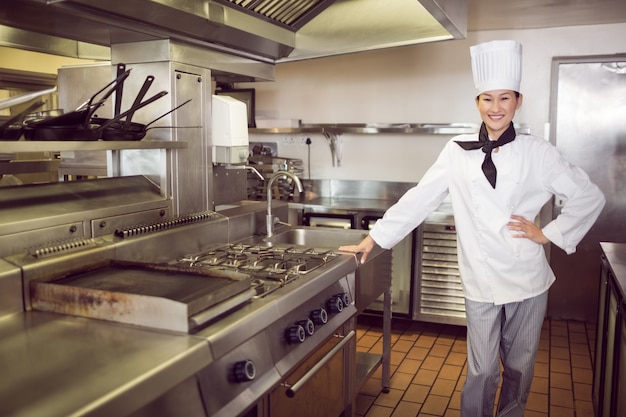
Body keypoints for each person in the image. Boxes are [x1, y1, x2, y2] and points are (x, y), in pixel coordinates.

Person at [339, 40, 605, 417]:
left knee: (519, 368)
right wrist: (373, 239)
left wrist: (549, 234)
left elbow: (588, 196)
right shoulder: (456, 151)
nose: (495, 108)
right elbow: (420, 199)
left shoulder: (538, 152)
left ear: (518, 101)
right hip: (479, 279)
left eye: (504, 98)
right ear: (477, 102)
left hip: (528, 280)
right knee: (481, 371)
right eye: (487, 99)